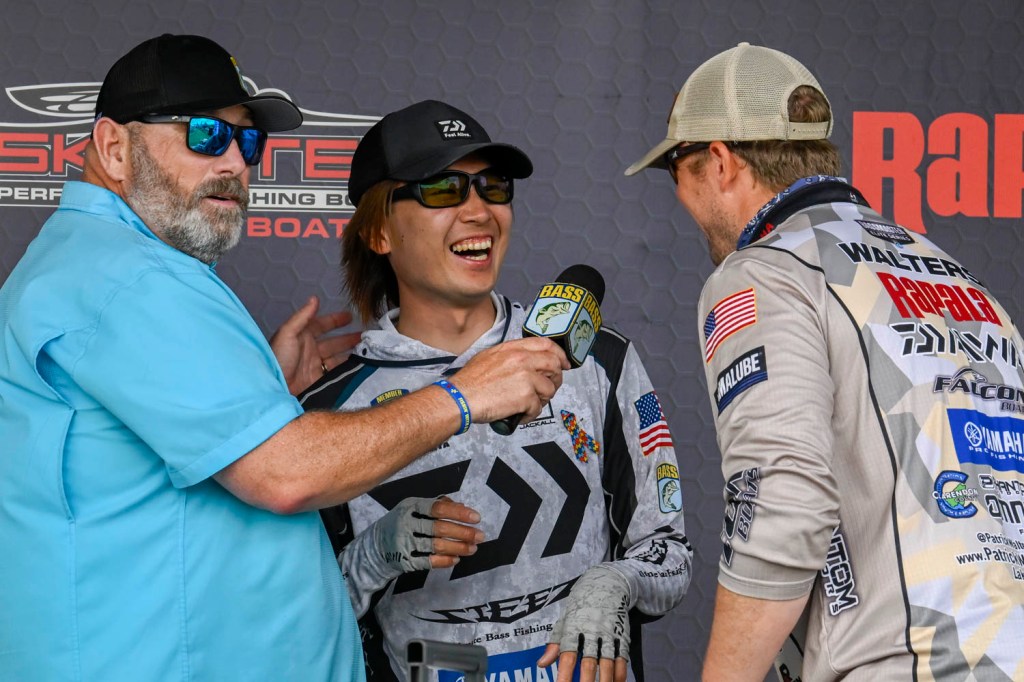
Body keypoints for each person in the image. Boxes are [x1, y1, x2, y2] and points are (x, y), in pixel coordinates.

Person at [0, 35, 567, 681]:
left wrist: (261, 396)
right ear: (112, 148)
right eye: (206, 135)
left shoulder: (104, 265)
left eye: (247, 142)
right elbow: (286, 474)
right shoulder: (127, 278)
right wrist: (464, 395)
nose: (235, 162)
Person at [626, 42, 1024, 680]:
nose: (678, 195)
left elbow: (781, 507)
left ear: (720, 162)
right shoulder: (963, 281)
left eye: (676, 168)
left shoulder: (764, 273)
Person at [299, 99, 692, 682]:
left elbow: (669, 553)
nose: (479, 210)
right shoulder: (327, 411)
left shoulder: (595, 358)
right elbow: (297, 624)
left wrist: (617, 582)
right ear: (379, 230)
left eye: (494, 187)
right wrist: (373, 555)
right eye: (442, 190)